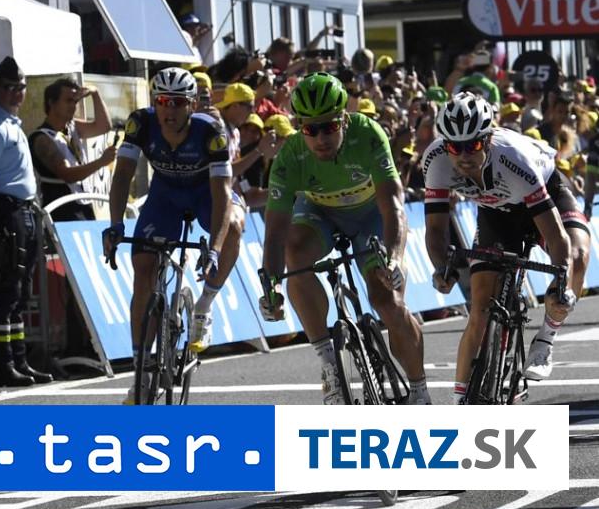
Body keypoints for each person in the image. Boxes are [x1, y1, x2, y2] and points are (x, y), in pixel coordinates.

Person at [260, 72, 430, 405]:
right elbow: (274, 232)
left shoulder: (368, 134)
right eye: (310, 129)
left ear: (344, 119)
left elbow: (393, 205)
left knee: (389, 303)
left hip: (371, 216)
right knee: (294, 250)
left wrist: (394, 258)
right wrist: (271, 287)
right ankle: (329, 364)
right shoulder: (289, 157)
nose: (321, 138)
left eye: (329, 126)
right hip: (320, 215)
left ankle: (420, 390)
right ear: (299, 127)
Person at [424, 92, 589, 403]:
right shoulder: (435, 160)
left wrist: (560, 282)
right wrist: (442, 267)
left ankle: (546, 339)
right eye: (454, 147)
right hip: (496, 212)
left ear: (487, 139)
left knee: (578, 257)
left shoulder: (513, 158)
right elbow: (435, 229)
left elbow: (556, 237)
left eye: (472, 145)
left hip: (545, 195)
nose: (463, 155)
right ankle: (460, 401)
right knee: (479, 307)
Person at [102, 67, 244, 404]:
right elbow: (122, 176)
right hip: (165, 196)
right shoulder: (141, 123)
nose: (170, 109)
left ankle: (204, 305)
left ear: (192, 104)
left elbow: (223, 194)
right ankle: (141, 372)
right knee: (143, 269)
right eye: (163, 101)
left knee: (235, 226)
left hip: (206, 194)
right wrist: (115, 224)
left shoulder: (211, 131)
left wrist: (214, 249)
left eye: (178, 102)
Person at [0, 56, 53, 387]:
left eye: (20, 87)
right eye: (8, 87)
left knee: (20, 291)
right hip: (5, 210)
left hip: (23, 210)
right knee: (6, 289)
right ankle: (1, 364)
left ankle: (19, 360)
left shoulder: (12, 124)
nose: (15, 93)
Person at [29, 77, 116, 222]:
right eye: (68, 101)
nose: (73, 106)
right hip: (61, 211)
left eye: (75, 102)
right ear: (51, 102)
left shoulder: (71, 127)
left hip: (83, 206)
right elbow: (68, 174)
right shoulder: (42, 138)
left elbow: (104, 126)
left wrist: (95, 93)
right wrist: (101, 162)